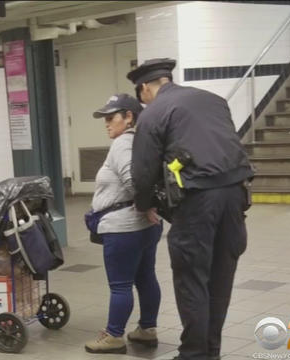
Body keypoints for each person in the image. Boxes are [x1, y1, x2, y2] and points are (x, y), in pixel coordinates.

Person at [127, 58, 253, 360]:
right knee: (221, 277)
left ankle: (193, 354)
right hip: (236, 196)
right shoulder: (214, 101)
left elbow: (142, 173)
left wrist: (144, 204)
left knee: (192, 279)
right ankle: (211, 351)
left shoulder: (153, 113)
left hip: (198, 203)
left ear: (145, 88)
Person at [84, 94, 163, 354]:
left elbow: (134, 180)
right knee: (146, 277)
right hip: (146, 227)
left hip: (124, 228)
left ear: (129, 117)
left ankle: (114, 336)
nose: (106, 124)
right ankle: (147, 330)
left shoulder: (122, 144)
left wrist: (145, 205)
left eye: (111, 118)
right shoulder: (145, 140)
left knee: (120, 285)